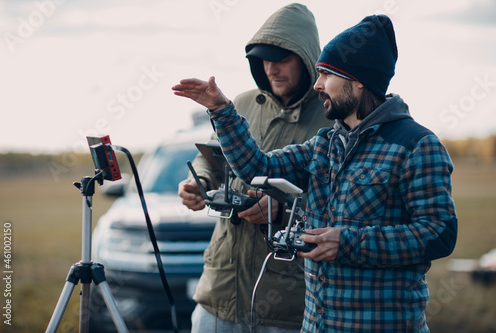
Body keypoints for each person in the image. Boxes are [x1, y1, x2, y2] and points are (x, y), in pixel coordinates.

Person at [173, 14, 458, 332]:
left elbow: (439, 234)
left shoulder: (417, 145)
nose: (318, 84)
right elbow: (258, 168)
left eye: (326, 74)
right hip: (316, 324)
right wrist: (222, 110)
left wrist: (349, 242)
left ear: (358, 79)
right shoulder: (325, 143)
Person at [177, 3, 334, 332]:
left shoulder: (332, 116)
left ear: (308, 60)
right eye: (265, 60)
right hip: (220, 290)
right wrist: (199, 182)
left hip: (287, 301)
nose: (272, 69)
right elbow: (213, 159)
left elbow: (343, 200)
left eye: (282, 60)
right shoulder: (243, 103)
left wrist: (283, 210)